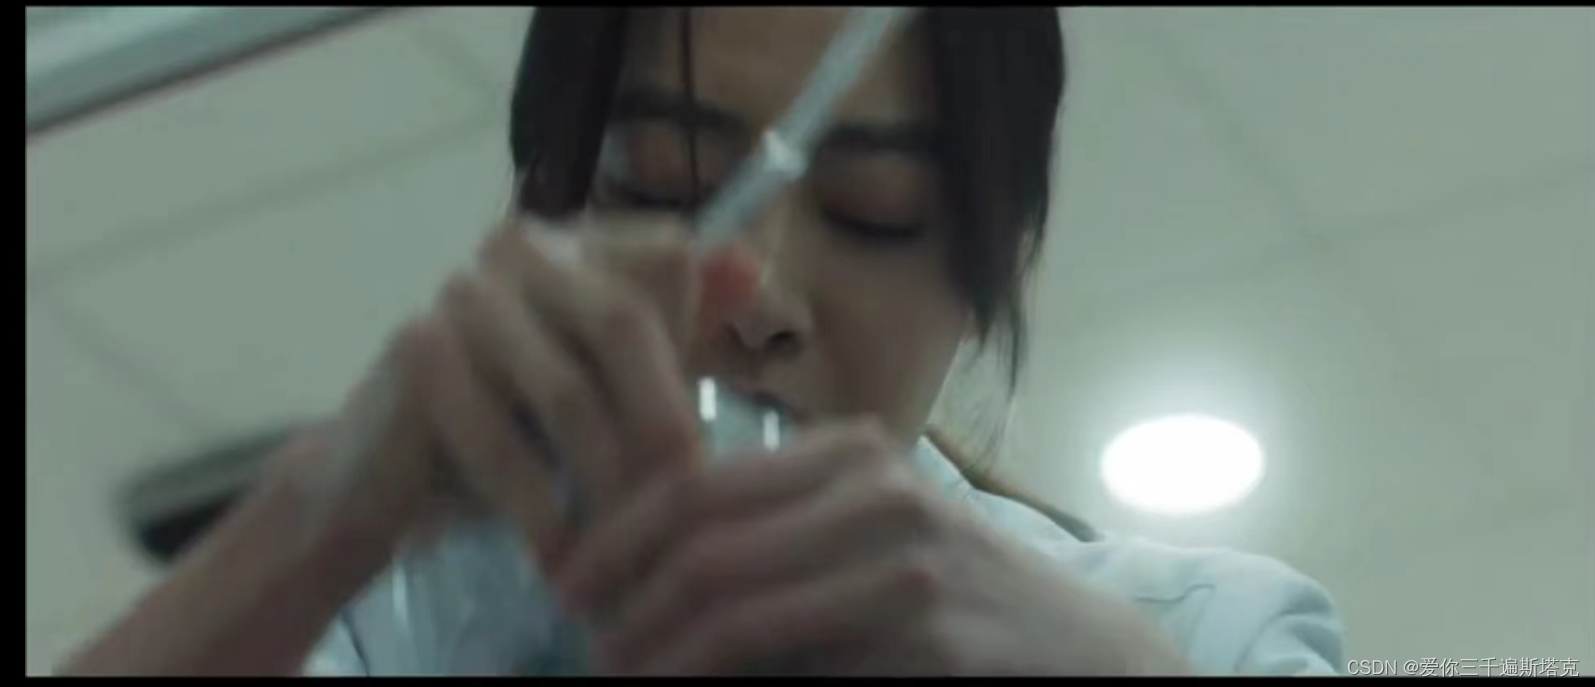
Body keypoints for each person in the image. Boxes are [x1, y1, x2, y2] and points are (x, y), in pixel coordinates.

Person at [59, 8, 1345, 676]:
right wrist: (310, 519)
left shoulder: (1198, 635)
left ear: (989, 275)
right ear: (540, 215)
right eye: (668, 182)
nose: (757, 292)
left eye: (873, 207)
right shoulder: (387, 626)